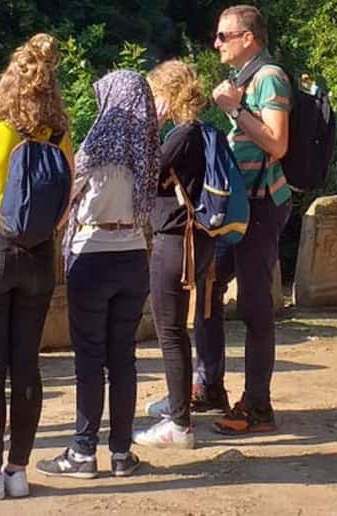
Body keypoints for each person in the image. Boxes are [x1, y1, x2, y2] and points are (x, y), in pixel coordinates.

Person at [0, 33, 74, 501]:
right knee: (26, 364)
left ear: (7, 85)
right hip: (39, 256)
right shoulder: (60, 139)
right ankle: (18, 470)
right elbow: (65, 204)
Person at [37, 70, 158, 480]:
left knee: (89, 358)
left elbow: (64, 195)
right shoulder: (147, 148)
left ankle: (83, 451)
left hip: (92, 253)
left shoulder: (96, 144)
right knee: (123, 358)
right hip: (134, 254)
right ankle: (121, 453)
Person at [195, 5, 291, 435]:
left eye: (224, 35)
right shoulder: (244, 77)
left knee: (255, 305)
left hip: (261, 206)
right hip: (238, 206)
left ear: (248, 38)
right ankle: (209, 386)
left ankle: (257, 406)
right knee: (207, 288)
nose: (216, 43)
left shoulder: (269, 76)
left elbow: (277, 143)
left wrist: (235, 110)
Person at [135, 60, 213, 449]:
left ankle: (179, 424)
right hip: (191, 238)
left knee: (170, 330)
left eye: (154, 95)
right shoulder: (197, 132)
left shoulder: (182, 135)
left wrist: (151, 127)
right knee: (175, 329)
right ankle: (178, 404)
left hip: (176, 240)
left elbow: (143, 173)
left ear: (169, 94)